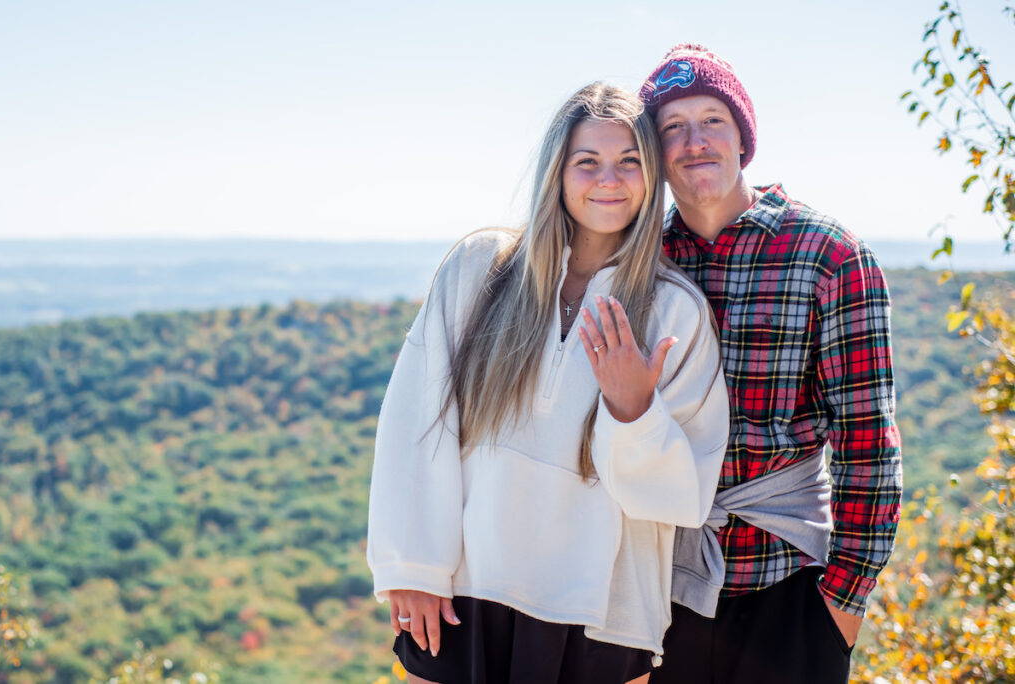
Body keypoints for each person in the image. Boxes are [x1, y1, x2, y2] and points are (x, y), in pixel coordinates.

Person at [366, 83, 729, 684]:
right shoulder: (481, 268)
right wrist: (413, 567)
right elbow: (417, 417)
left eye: (629, 162)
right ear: (556, 173)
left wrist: (633, 410)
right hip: (466, 592)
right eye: (587, 161)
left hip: (601, 616)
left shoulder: (675, 311)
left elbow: (684, 500)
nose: (607, 179)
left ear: (651, 178)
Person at [636, 44, 904, 684]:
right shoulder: (640, 261)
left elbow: (868, 442)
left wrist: (841, 602)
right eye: (672, 126)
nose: (694, 141)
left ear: (743, 138)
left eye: (712, 120)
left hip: (787, 592)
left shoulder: (829, 255)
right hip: (650, 588)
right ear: (655, 152)